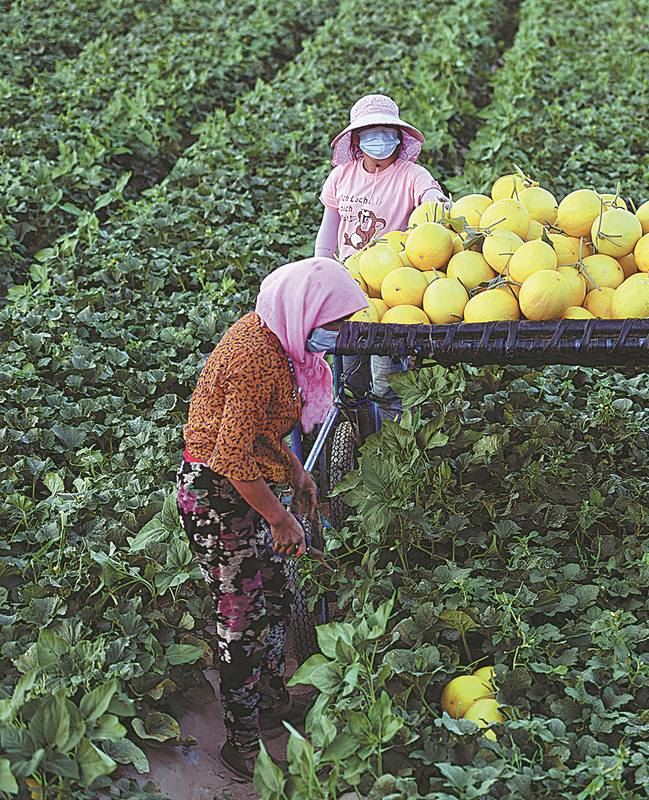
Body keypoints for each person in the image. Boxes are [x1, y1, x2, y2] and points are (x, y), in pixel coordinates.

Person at [175, 258, 368, 781]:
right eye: (335, 324)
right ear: (306, 313)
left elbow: (261, 434)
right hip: (216, 496)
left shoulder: (279, 340)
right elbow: (233, 459)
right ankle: (240, 743)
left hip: (247, 487)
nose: (339, 335)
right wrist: (281, 518)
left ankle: (271, 700)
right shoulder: (254, 357)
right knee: (242, 615)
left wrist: (297, 472)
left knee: (278, 591)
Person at [314, 93, 451, 421]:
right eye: (371, 132)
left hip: (394, 287)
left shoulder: (411, 175)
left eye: (387, 132)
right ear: (357, 139)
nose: (380, 139)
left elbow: (430, 194)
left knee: (386, 377)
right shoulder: (341, 177)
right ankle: (356, 436)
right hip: (349, 284)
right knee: (349, 374)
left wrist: (436, 202)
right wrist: (321, 267)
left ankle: (392, 439)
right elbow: (328, 229)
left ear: (399, 136)